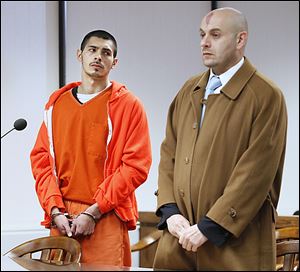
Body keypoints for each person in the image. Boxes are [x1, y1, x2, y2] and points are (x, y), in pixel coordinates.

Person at [153, 7, 287, 271]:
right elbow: (169, 155)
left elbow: (256, 173)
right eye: (202, 34)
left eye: (215, 34)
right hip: (179, 241)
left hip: (233, 246)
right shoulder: (188, 91)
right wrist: (169, 211)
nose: (204, 42)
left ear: (240, 40)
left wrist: (209, 226)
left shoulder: (266, 95)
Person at [30, 30, 152, 266]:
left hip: (106, 214)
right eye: (92, 50)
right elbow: (41, 162)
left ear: (114, 62)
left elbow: (136, 166)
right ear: (80, 55)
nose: (98, 56)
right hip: (62, 217)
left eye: (106, 53)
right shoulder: (57, 105)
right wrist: (55, 210)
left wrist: (93, 212)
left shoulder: (129, 105)